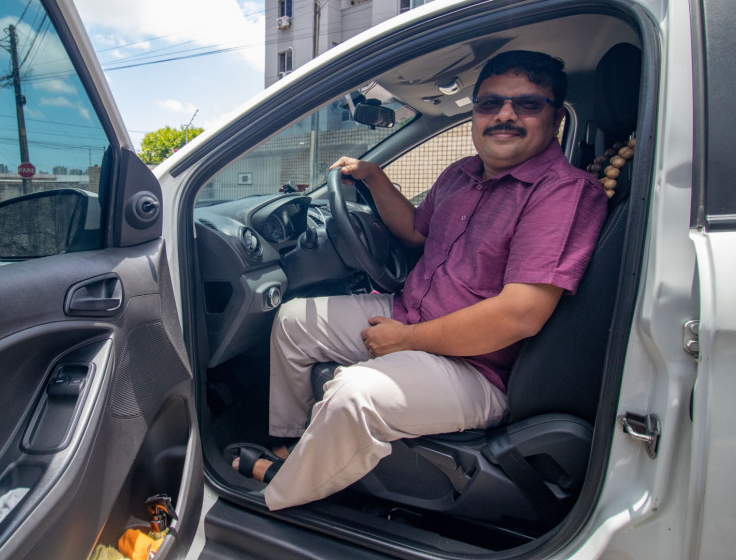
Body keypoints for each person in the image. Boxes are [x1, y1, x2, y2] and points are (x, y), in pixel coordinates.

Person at [227, 50, 608, 511]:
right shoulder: (461, 174)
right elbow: (414, 231)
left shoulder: (563, 192)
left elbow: (520, 314)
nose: (505, 115)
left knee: (354, 394)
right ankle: (296, 443)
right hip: (410, 314)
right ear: (475, 113)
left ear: (554, 120)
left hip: (479, 368)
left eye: (527, 104)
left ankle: (279, 496)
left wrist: (407, 339)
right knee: (293, 320)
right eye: (490, 104)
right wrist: (373, 176)